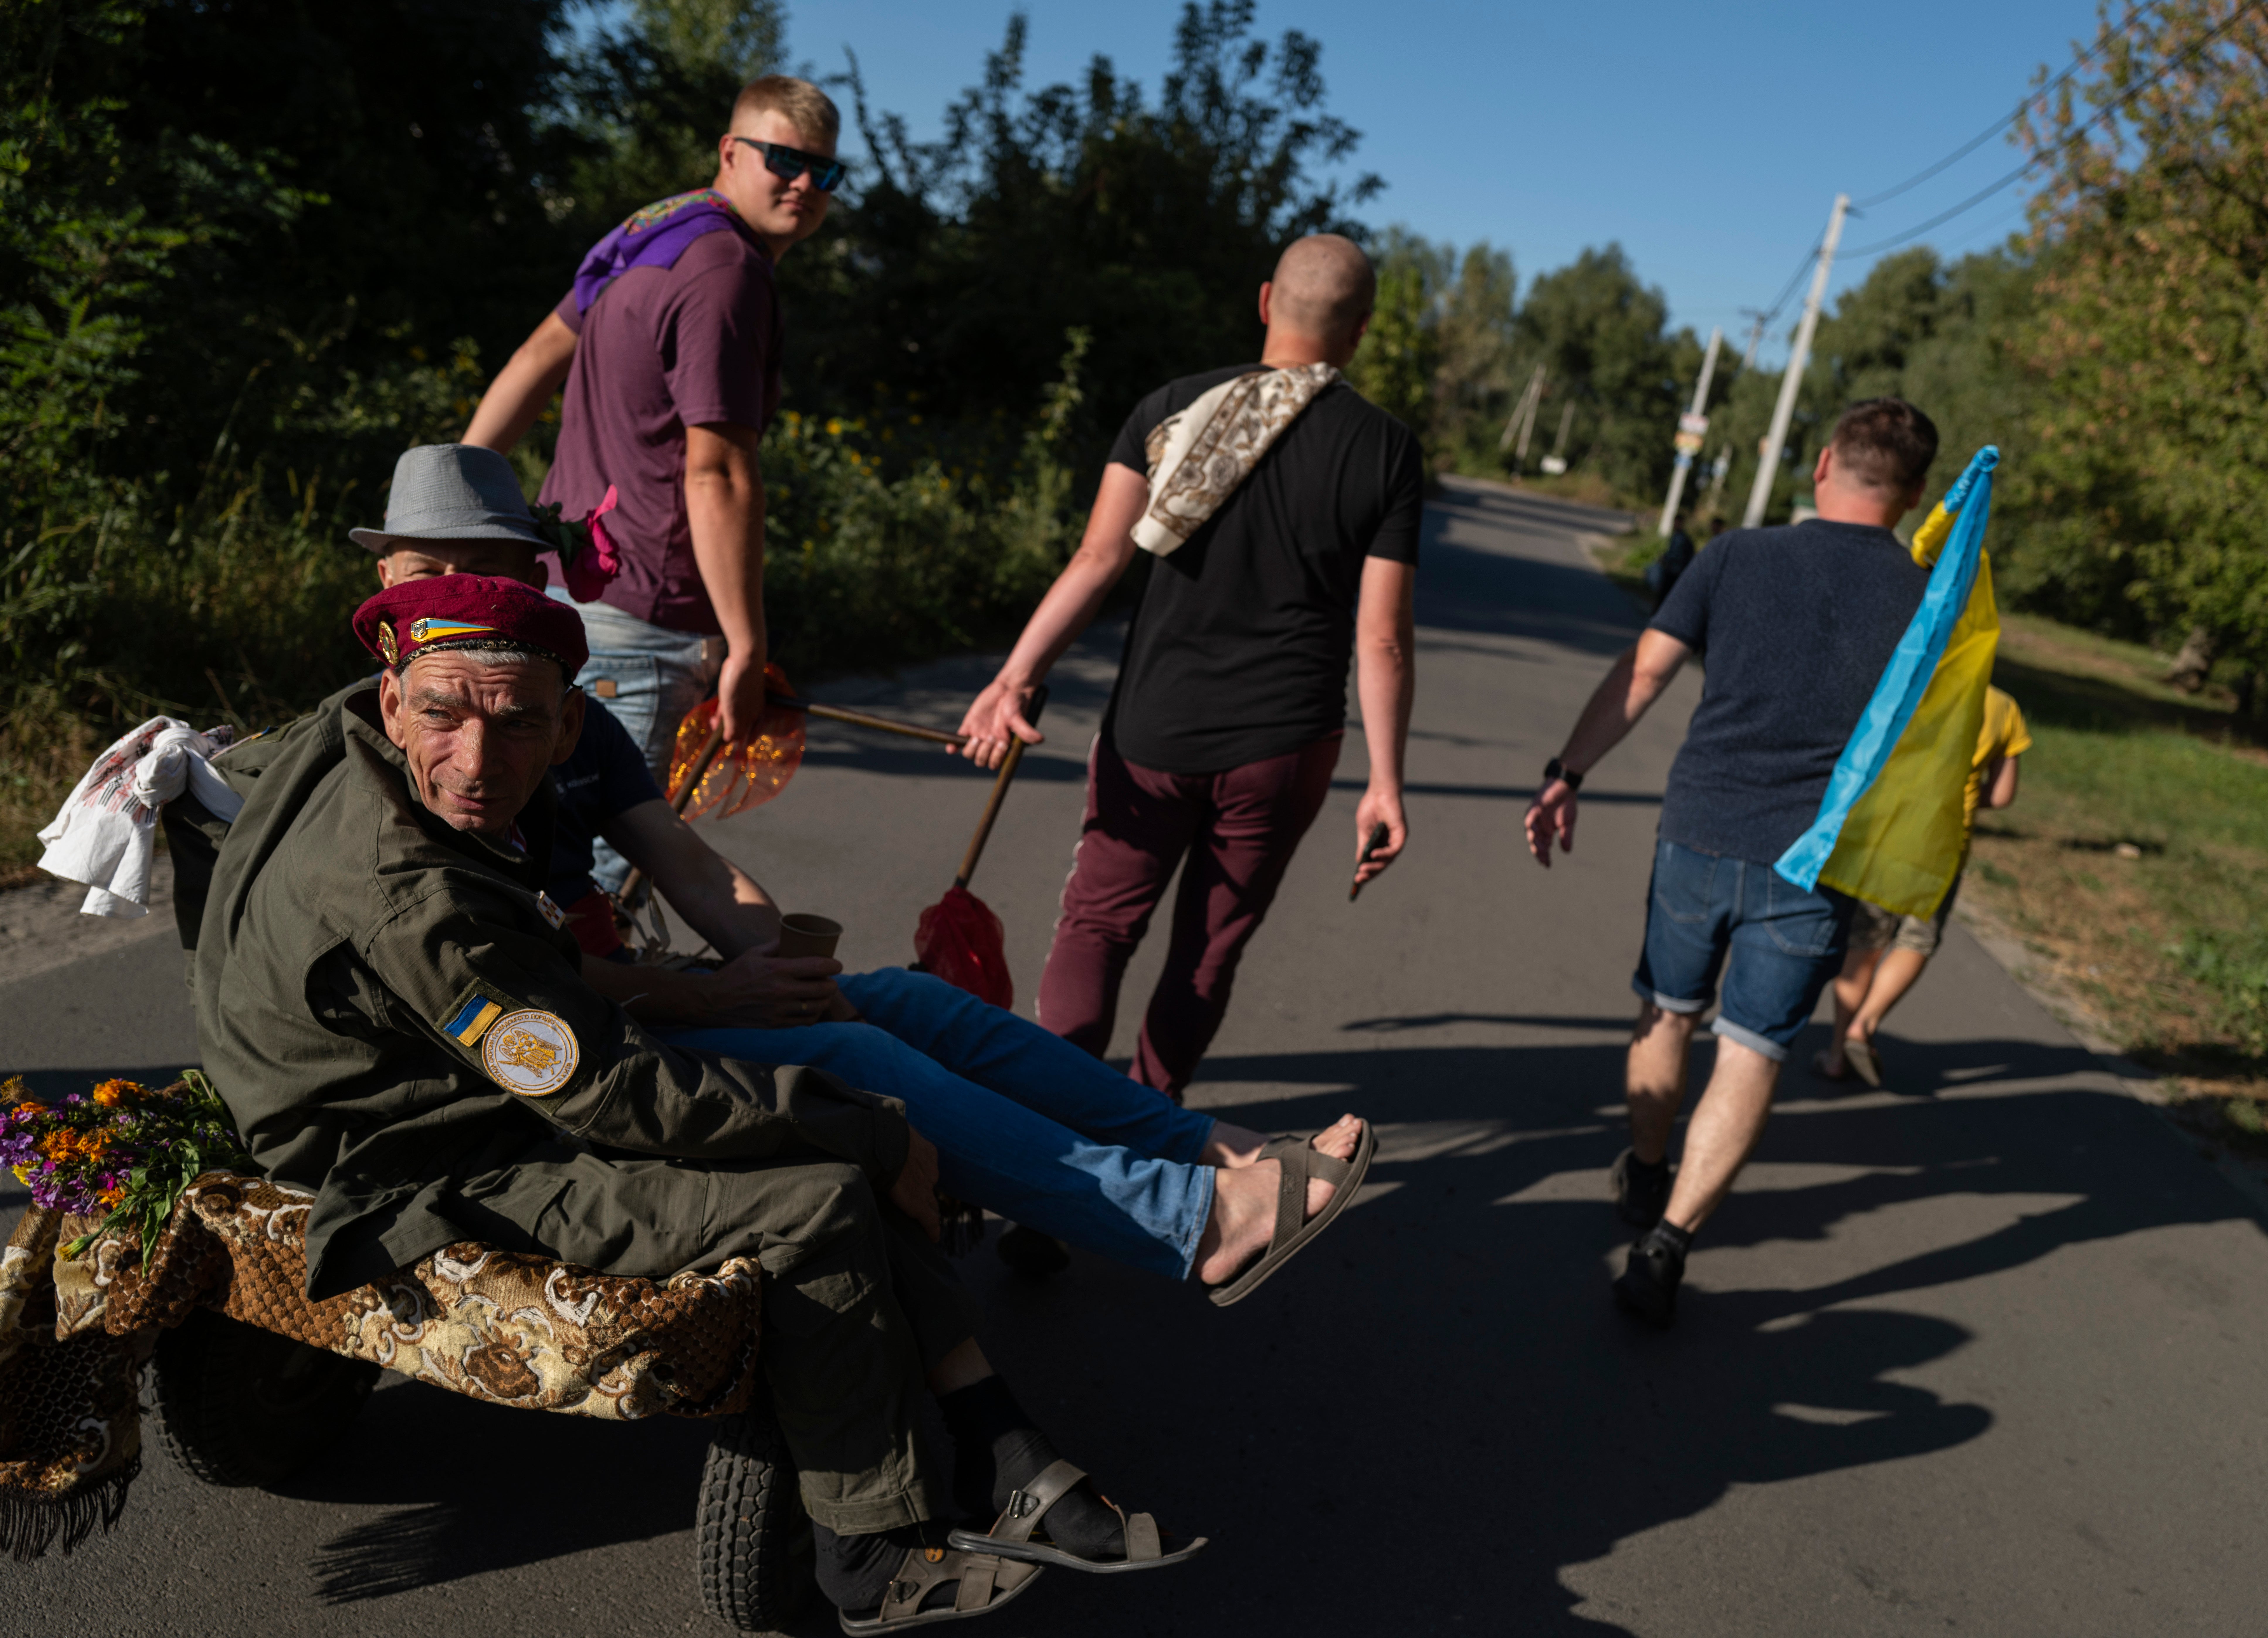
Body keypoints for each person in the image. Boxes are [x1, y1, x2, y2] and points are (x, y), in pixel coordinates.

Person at [194, 574, 1246, 1627]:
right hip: (411, 1150)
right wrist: (876, 1131)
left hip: (408, 1075)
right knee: (820, 1198)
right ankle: (869, 1556)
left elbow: (251, 772)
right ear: (394, 703)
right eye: (445, 714)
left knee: (861, 1057)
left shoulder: (345, 736)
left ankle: (1003, 1440)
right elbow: (606, 1094)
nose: (477, 759)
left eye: (514, 723)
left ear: (566, 731)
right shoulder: (419, 901)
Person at [343, 443, 1375, 1295]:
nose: (475, 595)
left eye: (502, 570)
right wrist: (717, 997)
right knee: (863, 1062)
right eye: (442, 574)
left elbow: (689, 864)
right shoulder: (410, 734)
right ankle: (1188, 1223)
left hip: (606, 993)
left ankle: (1207, 1152)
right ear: (391, 586)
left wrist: (778, 961)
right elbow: (505, 980)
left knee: (913, 1006)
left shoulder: (567, 708)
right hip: (539, 1039)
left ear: (536, 578)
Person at [958, 234, 1422, 1101]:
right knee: (1208, 951)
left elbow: (1096, 560)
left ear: (1262, 303)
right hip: (1282, 749)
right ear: (1359, 330)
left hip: (1150, 731)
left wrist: (1014, 675)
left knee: (1095, 928)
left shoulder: (1169, 409)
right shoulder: (1385, 450)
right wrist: (1385, 783)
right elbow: (1382, 638)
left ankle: (1046, 1136)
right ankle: (1145, 1129)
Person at [1521, 397, 1943, 1329]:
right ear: (1914, 495)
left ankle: (1642, 1173)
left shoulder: (1734, 557)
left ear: (1823, 461)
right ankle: (1668, 1242)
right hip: (1818, 861)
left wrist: (1566, 774)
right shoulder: (1927, 607)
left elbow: (1641, 673)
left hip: (1700, 830)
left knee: (1666, 1015)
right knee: (1752, 1051)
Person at [462, 74, 842, 889]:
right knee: (593, 886)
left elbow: (533, 361)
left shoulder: (652, 229)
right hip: (644, 622)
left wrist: (452, 506)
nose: (804, 184)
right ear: (730, 152)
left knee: (537, 853)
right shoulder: (728, 272)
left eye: (824, 171)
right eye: (783, 158)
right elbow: (719, 471)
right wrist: (747, 646)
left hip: (566, 592)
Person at [1820, 684, 2031, 1086]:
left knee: (1865, 942)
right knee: (1915, 940)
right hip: (1944, 841)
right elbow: (2002, 795)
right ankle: (1863, 1026)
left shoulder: (1910, 683)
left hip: (1885, 834)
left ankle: (1834, 1056)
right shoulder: (2005, 707)